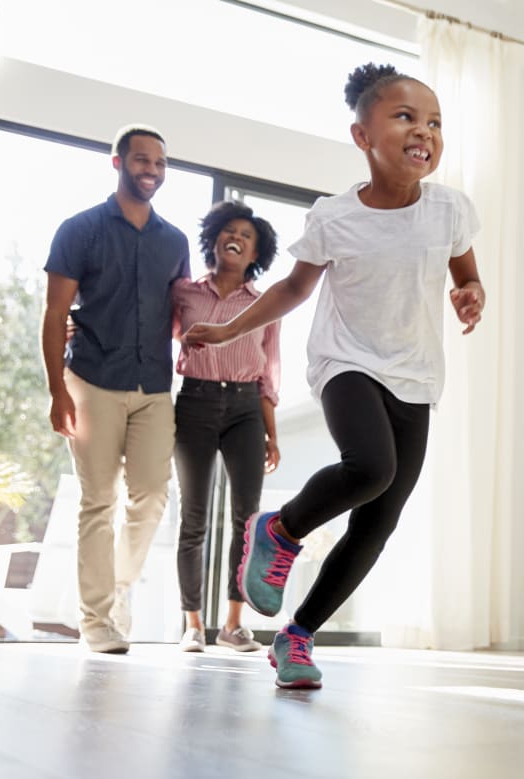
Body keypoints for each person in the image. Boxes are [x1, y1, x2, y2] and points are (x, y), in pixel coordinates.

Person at [183, 63, 485, 687]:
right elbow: (295, 287)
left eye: (434, 121)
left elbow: (464, 268)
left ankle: (296, 637)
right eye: (404, 117)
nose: (423, 130)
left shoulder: (450, 210)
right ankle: (280, 527)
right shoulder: (335, 217)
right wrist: (228, 329)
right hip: (346, 360)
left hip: (417, 372)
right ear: (362, 136)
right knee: (371, 468)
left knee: (379, 518)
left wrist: (471, 292)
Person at [41, 124, 190, 654]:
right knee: (98, 499)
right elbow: (56, 313)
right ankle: (96, 620)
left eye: (160, 163)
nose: (151, 170)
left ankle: (117, 588)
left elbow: (178, 313)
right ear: (118, 163)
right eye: (142, 160)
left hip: (154, 384)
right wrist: (57, 390)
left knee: (151, 496)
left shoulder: (174, 241)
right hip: (93, 379)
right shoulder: (79, 230)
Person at [173, 200, 281, 653]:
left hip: (244, 411)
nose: (236, 237)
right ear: (214, 238)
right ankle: (193, 625)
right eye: (228, 230)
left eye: (247, 235)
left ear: (256, 252)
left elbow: (268, 373)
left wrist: (272, 434)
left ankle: (232, 626)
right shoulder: (183, 292)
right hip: (194, 403)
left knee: (246, 519)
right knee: (193, 518)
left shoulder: (265, 305)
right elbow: (150, 335)